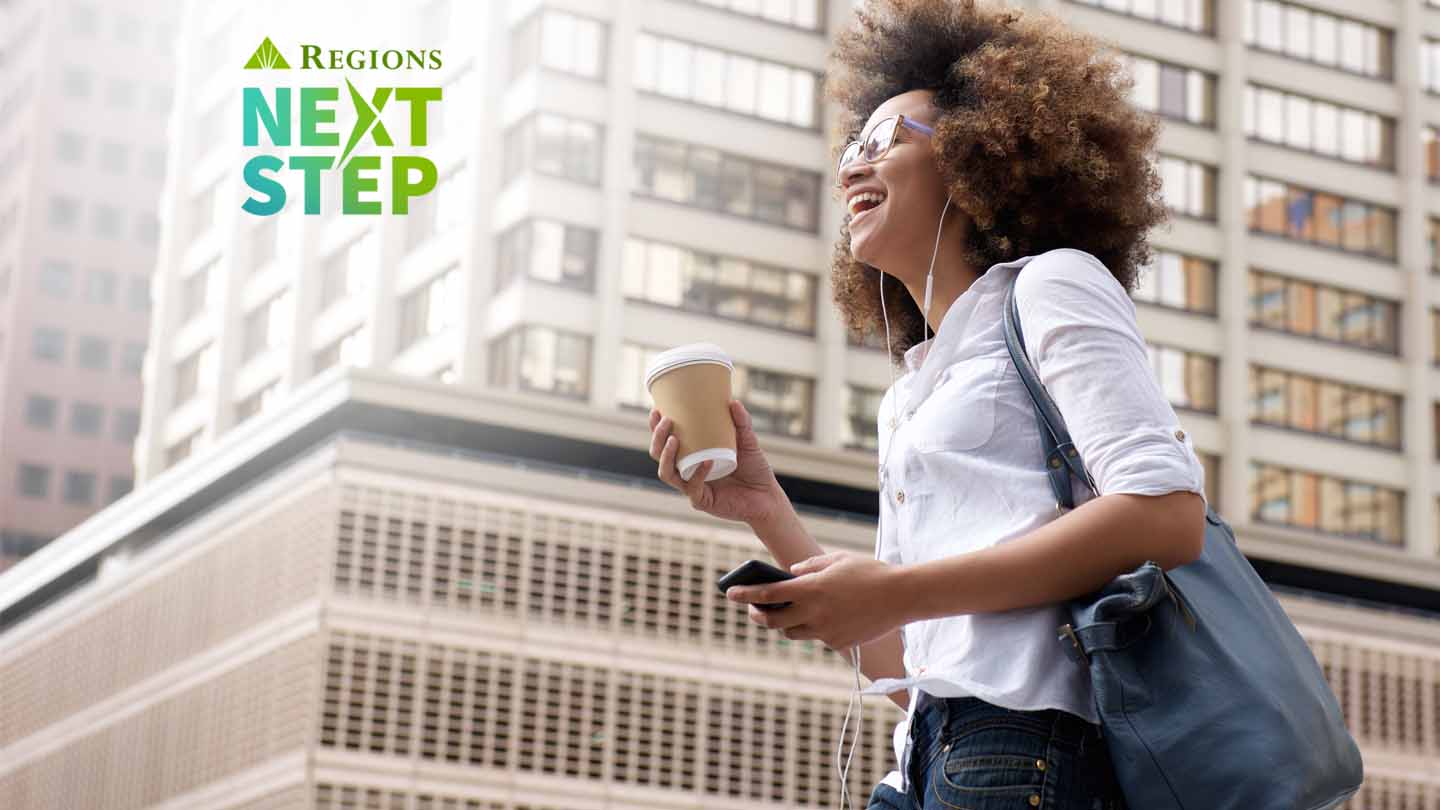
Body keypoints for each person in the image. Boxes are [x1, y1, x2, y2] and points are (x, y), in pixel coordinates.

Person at [647, 1, 1208, 808]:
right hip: (924, 762)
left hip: (1022, 752)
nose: (851, 168)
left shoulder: (1053, 285)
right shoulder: (910, 393)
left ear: (983, 155)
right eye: (852, 147)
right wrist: (765, 510)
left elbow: (1166, 514)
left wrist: (896, 591)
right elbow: (911, 672)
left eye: (884, 142)